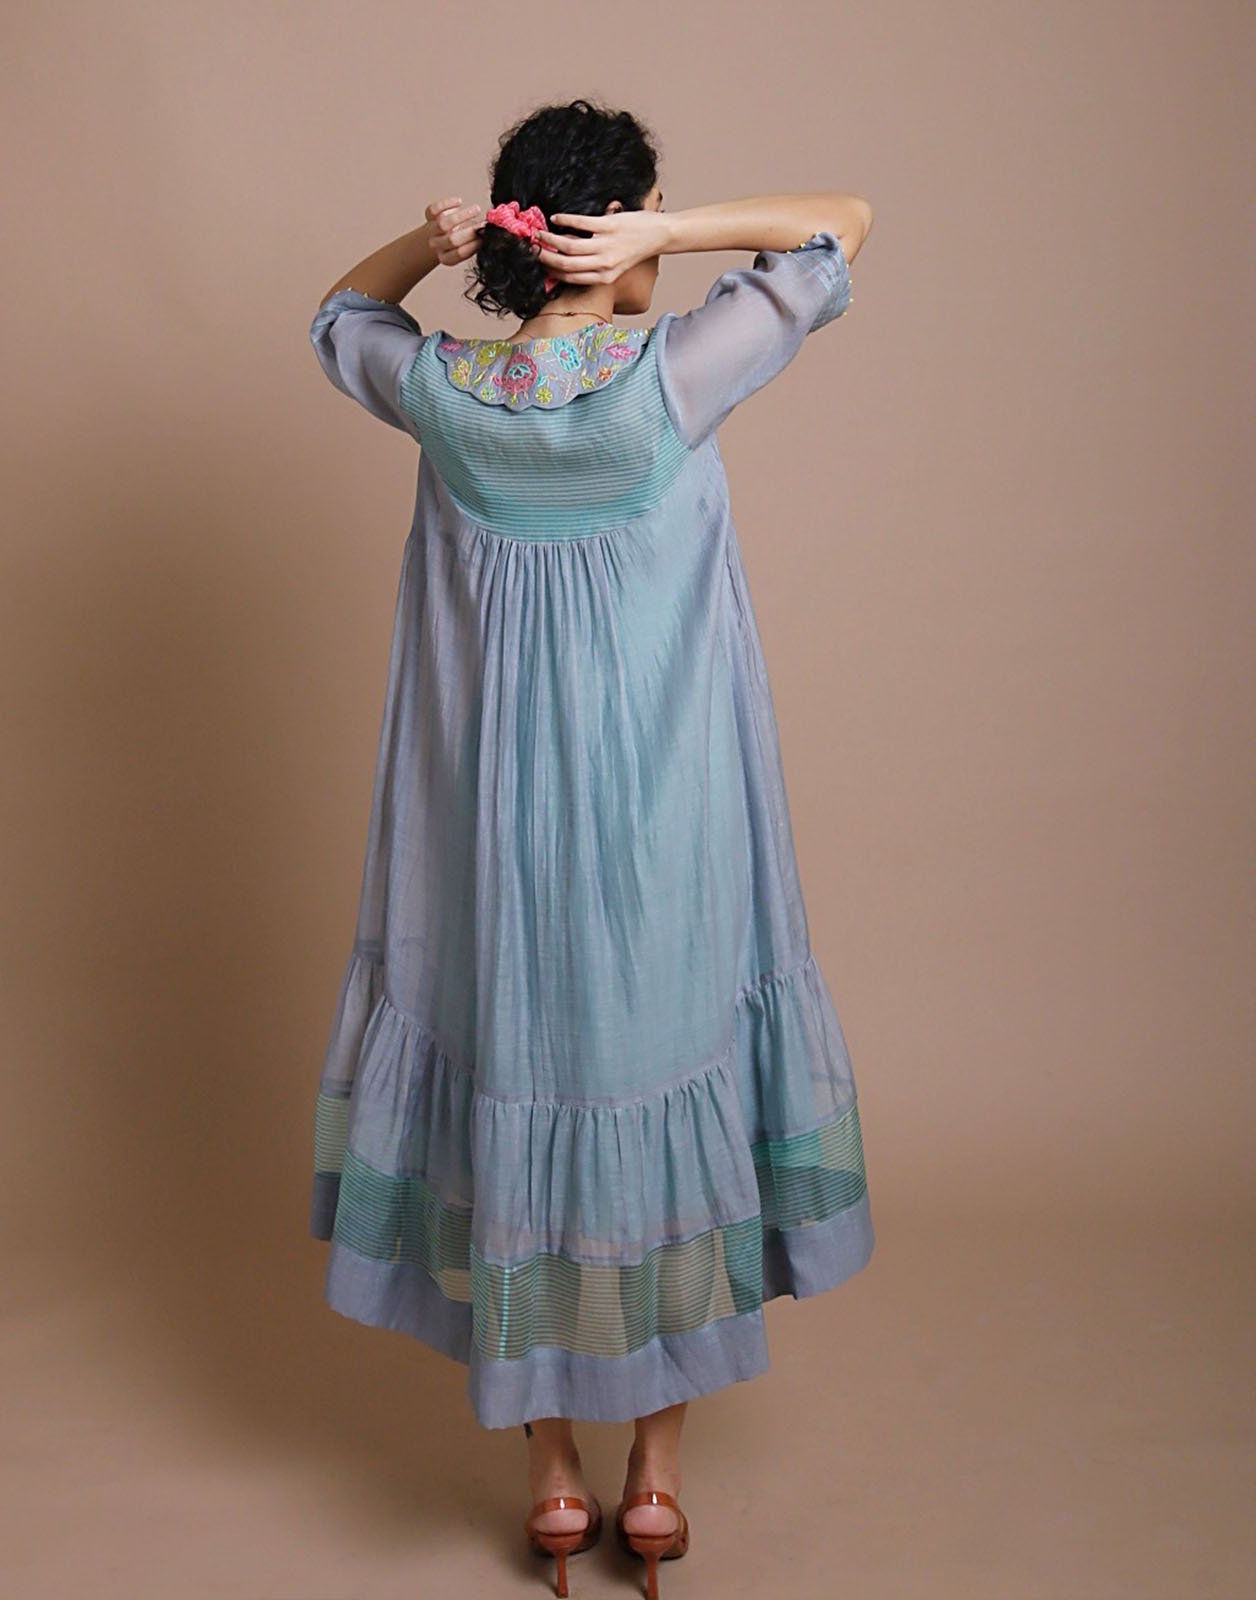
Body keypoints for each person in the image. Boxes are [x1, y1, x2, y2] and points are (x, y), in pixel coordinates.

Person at [307, 97, 875, 1598]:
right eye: (648, 219)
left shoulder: (446, 390)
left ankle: (552, 1482)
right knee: (664, 1088)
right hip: (665, 831)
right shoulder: (681, 370)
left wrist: (428, 247)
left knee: (522, 1092)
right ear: (621, 230)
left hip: (492, 845)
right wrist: (677, 234)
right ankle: (655, 1482)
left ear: (510, 233)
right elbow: (844, 228)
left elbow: (338, 316)